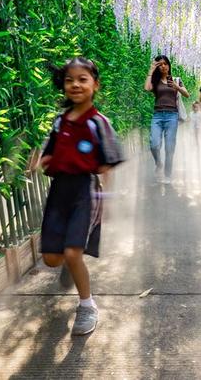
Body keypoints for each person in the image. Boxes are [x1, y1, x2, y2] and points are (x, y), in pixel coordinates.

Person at [39, 57, 124, 335]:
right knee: (52, 258)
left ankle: (87, 306)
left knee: (73, 251)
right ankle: (70, 264)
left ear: (95, 85)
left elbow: (108, 163)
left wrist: (107, 199)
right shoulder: (59, 121)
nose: (75, 84)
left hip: (86, 192)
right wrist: (39, 159)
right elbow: (49, 152)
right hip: (59, 191)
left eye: (82, 79)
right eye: (69, 80)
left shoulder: (99, 122)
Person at [144, 55, 190, 184]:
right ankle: (159, 163)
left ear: (169, 65)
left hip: (172, 115)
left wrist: (177, 86)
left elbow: (187, 94)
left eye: (165, 64)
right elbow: (147, 88)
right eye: (160, 64)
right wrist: (151, 70)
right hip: (158, 115)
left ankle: (168, 175)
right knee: (154, 144)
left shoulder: (176, 80)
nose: (163, 66)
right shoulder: (155, 81)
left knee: (170, 147)